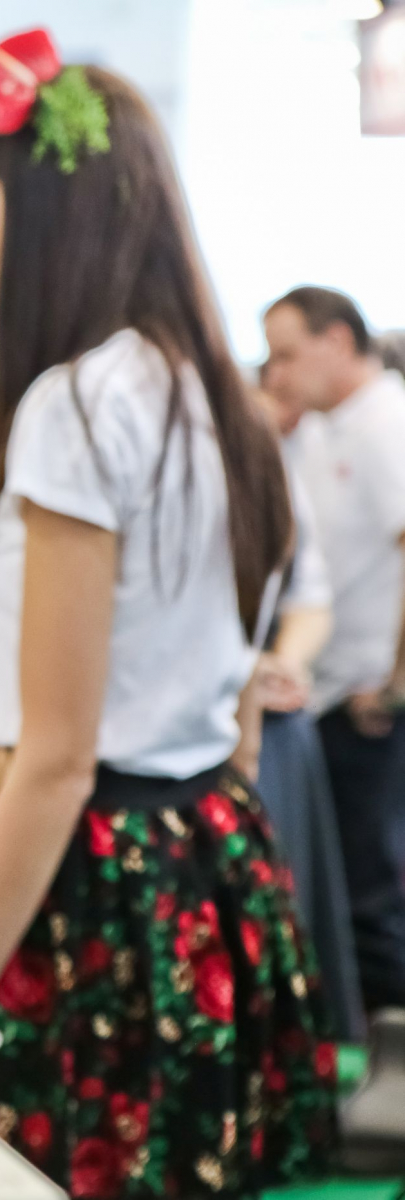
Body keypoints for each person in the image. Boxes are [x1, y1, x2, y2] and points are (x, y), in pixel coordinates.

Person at [0, 32, 336, 1196]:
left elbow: (57, 760)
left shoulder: (78, 406)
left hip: (97, 882)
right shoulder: (211, 397)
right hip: (210, 853)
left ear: (54, 212)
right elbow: (235, 702)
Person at [263, 286, 405, 1015]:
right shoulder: (325, 429)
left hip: (371, 705)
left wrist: (397, 684)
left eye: (288, 355)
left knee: (376, 898)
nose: (278, 374)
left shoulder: (385, 423)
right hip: (331, 695)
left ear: (339, 342)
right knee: (349, 889)